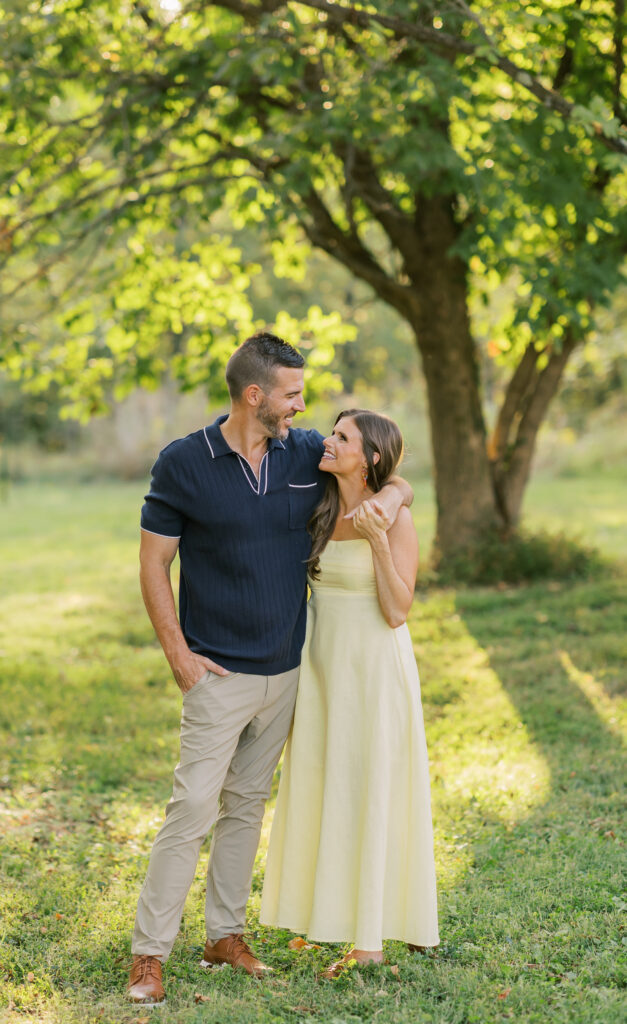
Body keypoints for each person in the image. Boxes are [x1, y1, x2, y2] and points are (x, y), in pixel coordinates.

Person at [127, 334, 413, 1005]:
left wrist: (395, 496)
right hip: (216, 673)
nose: (301, 405)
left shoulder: (306, 454)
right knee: (192, 807)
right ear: (255, 395)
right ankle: (148, 954)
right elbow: (152, 564)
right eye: (291, 393)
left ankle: (224, 934)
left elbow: (382, 470)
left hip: (288, 672)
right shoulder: (183, 463)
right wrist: (177, 653)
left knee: (246, 807)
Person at [260, 409, 439, 977]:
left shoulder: (392, 517)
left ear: (372, 458)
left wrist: (379, 539)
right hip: (321, 667)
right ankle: (326, 917)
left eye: (344, 437)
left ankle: (369, 942)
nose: (330, 441)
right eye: (333, 433)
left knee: (368, 787)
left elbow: (396, 610)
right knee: (323, 782)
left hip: (372, 668)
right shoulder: (320, 503)